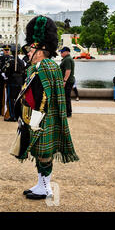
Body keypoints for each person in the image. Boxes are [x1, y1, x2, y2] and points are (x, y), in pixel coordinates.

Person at [16, 15, 79, 200]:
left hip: (41, 116)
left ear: (41, 50)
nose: (27, 52)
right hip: (40, 115)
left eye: (30, 49)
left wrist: (30, 116)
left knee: (44, 154)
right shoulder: (44, 66)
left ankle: (46, 189)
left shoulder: (43, 67)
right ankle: (40, 185)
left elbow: (38, 96)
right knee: (40, 152)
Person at [2, 45, 25, 122]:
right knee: (18, 99)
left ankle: (13, 116)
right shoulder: (21, 62)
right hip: (19, 82)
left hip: (12, 82)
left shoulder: (11, 61)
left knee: (11, 99)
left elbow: (7, 73)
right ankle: (18, 115)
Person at [59, 46, 75, 117]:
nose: (61, 53)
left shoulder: (67, 59)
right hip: (69, 81)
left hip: (67, 81)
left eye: (62, 52)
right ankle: (67, 112)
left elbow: (68, 71)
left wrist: (64, 81)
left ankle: (68, 113)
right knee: (66, 97)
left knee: (66, 97)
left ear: (67, 52)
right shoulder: (66, 59)